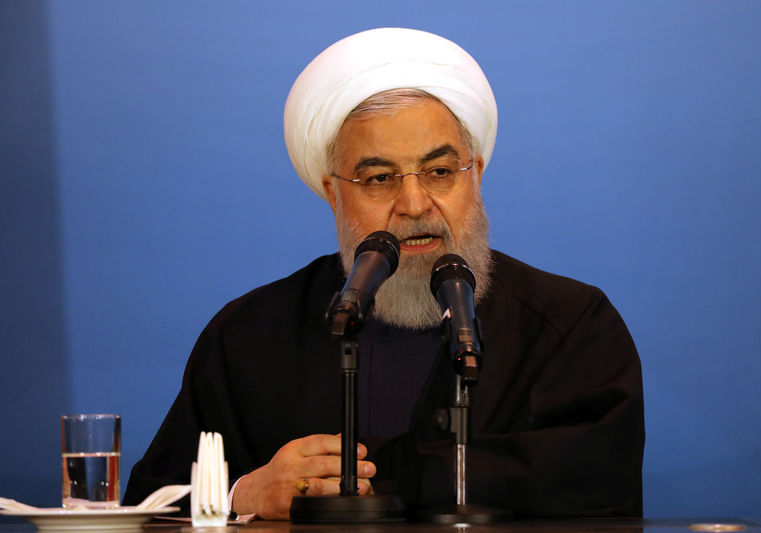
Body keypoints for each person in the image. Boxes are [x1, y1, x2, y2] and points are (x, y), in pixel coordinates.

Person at [122, 28, 644, 520]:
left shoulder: (570, 326)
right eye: (378, 178)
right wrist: (242, 494)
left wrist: (385, 480)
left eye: (440, 172)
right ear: (333, 192)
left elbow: (599, 487)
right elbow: (150, 505)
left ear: (476, 174)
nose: (415, 204)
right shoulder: (251, 334)